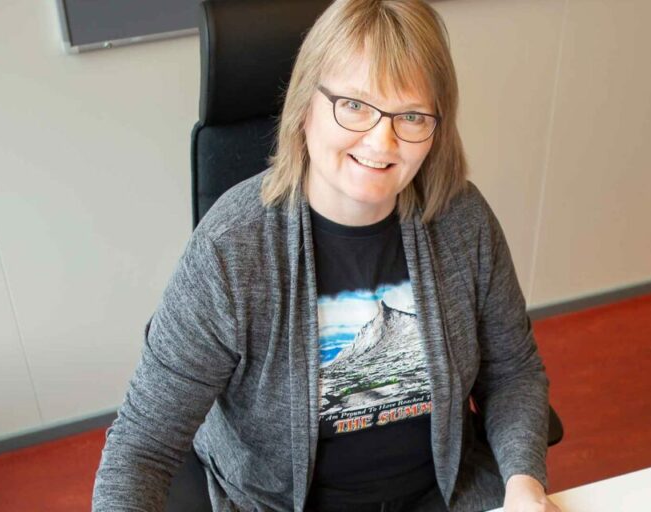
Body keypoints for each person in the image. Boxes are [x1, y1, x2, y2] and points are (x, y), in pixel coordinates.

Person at [91, 1, 558, 511]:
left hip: (445, 494)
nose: (382, 141)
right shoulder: (231, 248)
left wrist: (524, 485)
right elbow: (142, 447)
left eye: (410, 115)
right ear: (305, 106)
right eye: (354, 105)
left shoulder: (462, 219)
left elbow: (512, 373)